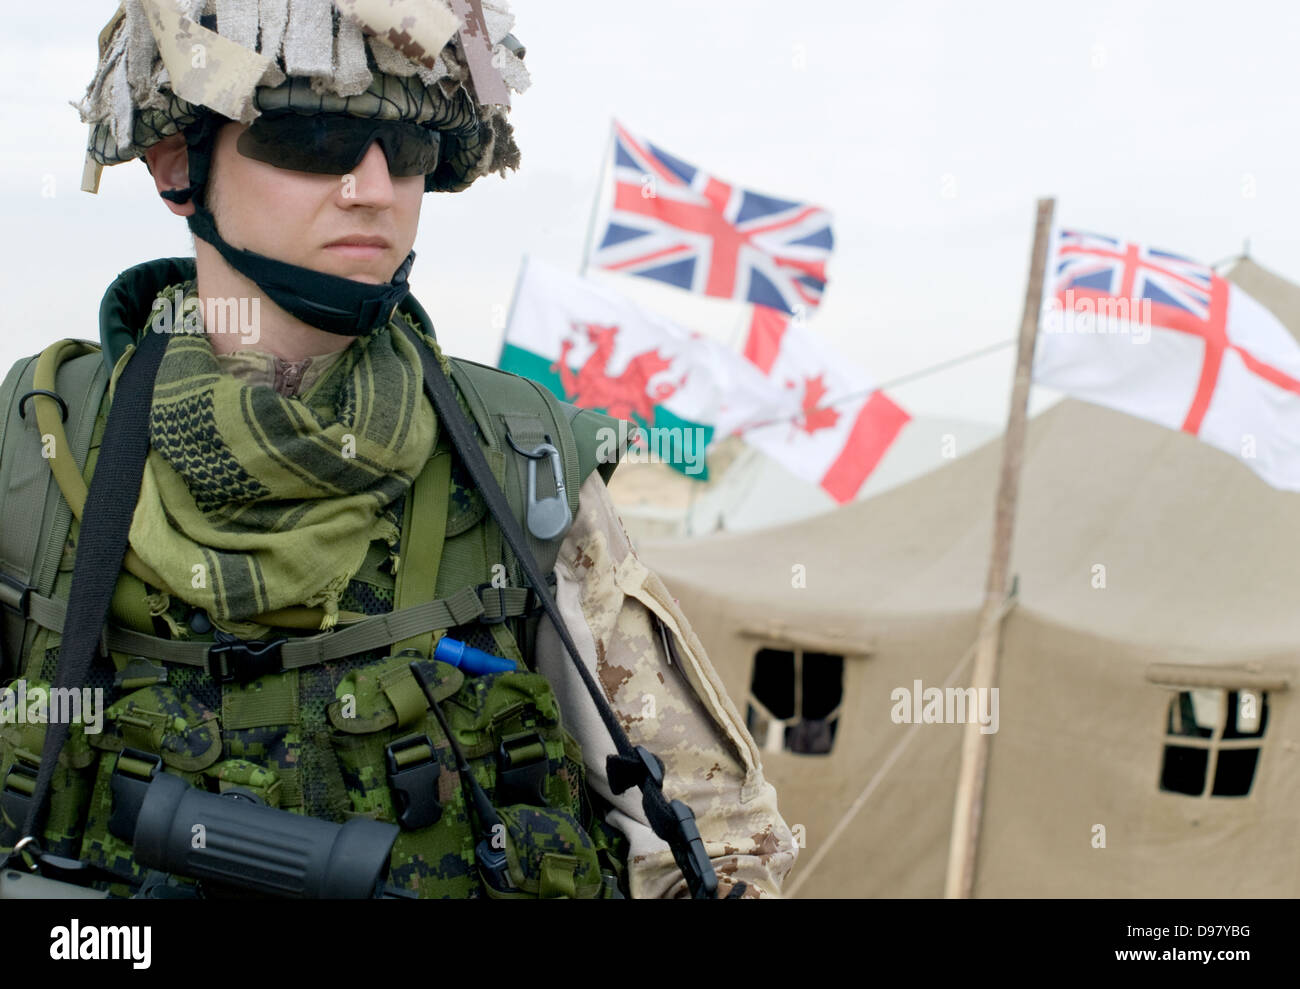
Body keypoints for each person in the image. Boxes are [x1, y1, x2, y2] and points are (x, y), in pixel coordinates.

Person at [0, 0, 795, 899]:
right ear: (178, 164)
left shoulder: (516, 462)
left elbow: (717, 844)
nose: (374, 188)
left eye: (408, 150)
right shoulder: (37, 454)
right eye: (313, 137)